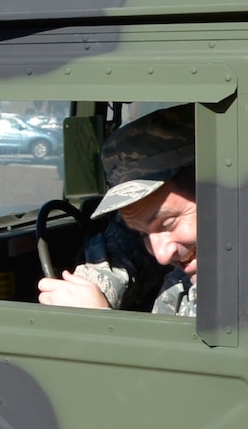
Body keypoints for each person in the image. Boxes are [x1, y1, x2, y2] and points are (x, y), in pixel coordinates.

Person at [36, 106, 198, 317]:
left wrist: (101, 327)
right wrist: (83, 292)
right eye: (143, 233)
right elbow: (118, 254)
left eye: (168, 224)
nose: (161, 255)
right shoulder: (145, 218)